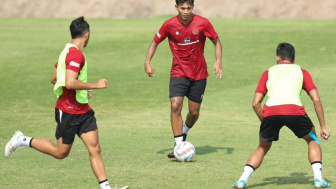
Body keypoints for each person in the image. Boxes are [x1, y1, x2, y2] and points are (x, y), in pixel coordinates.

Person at [5, 17, 128, 189]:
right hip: (68, 111)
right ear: (87, 34)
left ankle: (106, 187)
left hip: (83, 111)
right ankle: (21, 139)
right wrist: (95, 85)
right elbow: (69, 83)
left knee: (95, 148)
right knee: (60, 152)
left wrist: (82, 88)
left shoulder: (66, 51)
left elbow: (54, 78)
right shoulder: (76, 54)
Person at [232, 43, 330, 189]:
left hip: (271, 112)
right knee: (312, 139)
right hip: (295, 111)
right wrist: (323, 126)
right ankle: (318, 180)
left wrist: (265, 121)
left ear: (277, 57)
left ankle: (242, 181)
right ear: (294, 59)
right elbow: (316, 99)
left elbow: (255, 103)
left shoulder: (268, 72)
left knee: (263, 146)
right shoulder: (302, 71)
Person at [144, 0, 223, 159]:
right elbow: (155, 42)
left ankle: (184, 132)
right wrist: (147, 62)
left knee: (194, 112)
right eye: (182, 8)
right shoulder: (169, 25)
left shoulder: (203, 23)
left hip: (199, 74)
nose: (186, 11)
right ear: (176, 8)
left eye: (188, 8)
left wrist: (218, 61)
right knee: (175, 106)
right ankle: (179, 145)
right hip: (178, 72)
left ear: (193, 7)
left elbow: (216, 41)